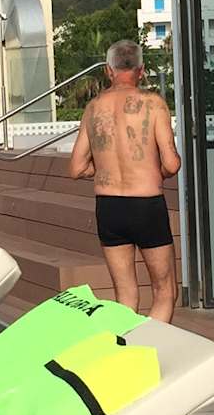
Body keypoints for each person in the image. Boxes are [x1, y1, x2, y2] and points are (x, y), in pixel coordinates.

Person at [68, 39, 182, 321]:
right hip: (146, 204)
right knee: (165, 291)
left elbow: (76, 168)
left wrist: (102, 169)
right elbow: (171, 163)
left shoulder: (94, 108)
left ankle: (125, 346)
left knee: (125, 296)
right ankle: (151, 344)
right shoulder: (153, 105)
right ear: (141, 70)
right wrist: (155, 170)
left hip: (109, 207)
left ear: (108, 70)